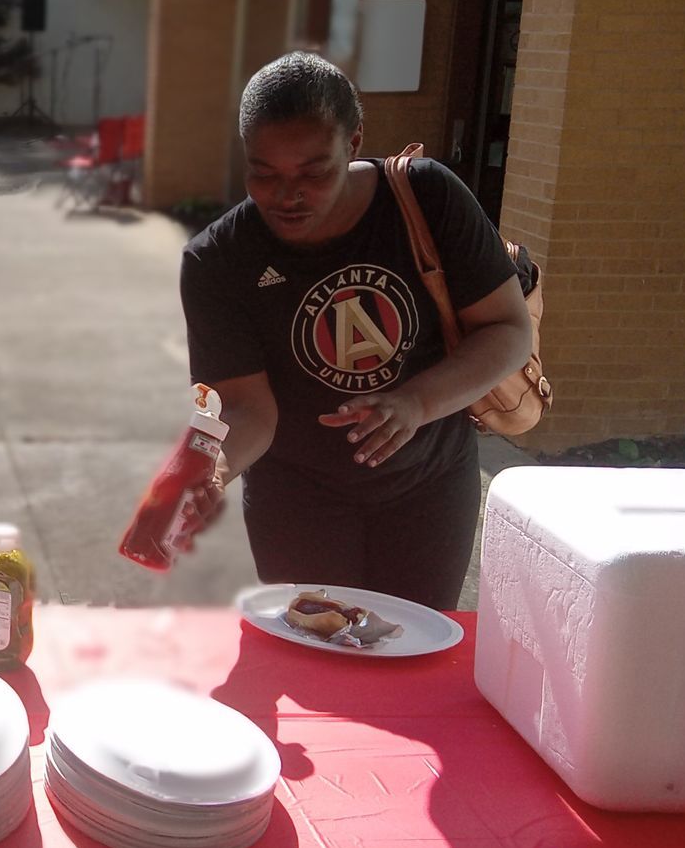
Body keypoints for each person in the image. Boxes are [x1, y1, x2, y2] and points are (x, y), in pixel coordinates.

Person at [178, 52, 532, 610]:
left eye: (314, 172)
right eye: (263, 173)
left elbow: (509, 332)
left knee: (412, 651)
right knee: (320, 662)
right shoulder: (218, 260)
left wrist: (415, 402)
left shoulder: (426, 197)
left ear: (355, 142)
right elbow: (250, 409)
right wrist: (215, 471)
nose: (287, 195)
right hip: (297, 498)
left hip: (429, 484)